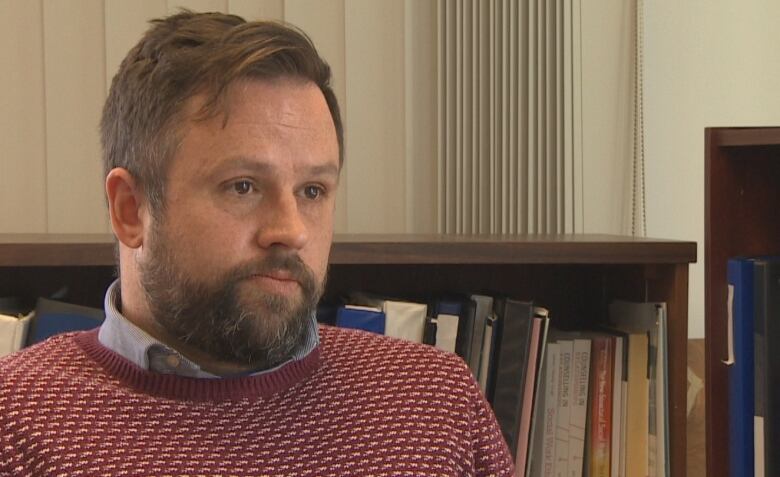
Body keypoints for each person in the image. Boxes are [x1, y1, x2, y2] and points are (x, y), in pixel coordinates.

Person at [0, 11, 513, 476]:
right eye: (243, 186)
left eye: (313, 190)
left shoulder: (434, 404)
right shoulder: (16, 424)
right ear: (130, 209)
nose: (292, 230)